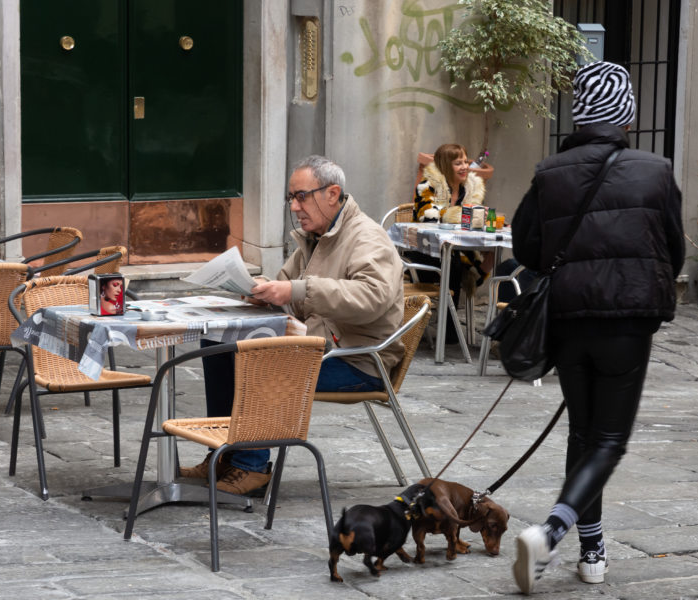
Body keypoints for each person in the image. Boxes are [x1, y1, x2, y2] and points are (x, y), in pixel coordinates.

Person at [510, 61, 684, 593]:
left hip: (566, 319)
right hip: (628, 319)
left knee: (584, 433)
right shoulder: (655, 171)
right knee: (609, 439)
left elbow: (526, 248)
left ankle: (594, 553)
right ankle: (554, 531)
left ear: (581, 112)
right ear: (626, 113)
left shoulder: (549, 172)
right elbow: (674, 250)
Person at [180, 155, 405, 497]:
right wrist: (265, 291)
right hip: (320, 346)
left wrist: (296, 290)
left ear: (332, 193)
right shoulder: (315, 236)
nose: (295, 206)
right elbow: (288, 285)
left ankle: (251, 468)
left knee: (261, 362)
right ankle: (223, 454)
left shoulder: (367, 238)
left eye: (301, 196)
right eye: (291, 198)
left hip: (358, 360)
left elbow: (372, 297)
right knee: (218, 343)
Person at [407, 143, 494, 342]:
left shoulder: (469, 191)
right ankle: (448, 330)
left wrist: (481, 219)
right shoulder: (427, 188)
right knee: (453, 265)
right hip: (424, 252)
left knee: (491, 254)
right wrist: (466, 215)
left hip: (456, 251)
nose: (464, 166)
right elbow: (428, 219)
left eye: (465, 161)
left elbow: (469, 225)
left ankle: (453, 326)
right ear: (446, 165)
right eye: (458, 163)